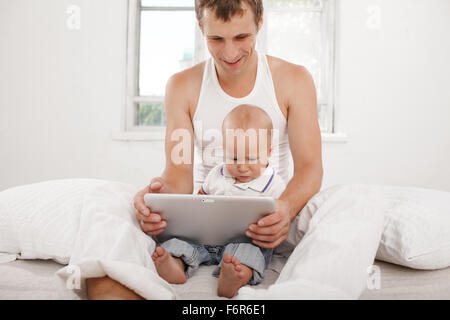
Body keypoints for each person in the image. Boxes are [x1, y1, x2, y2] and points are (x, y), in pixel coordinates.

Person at [86, 0, 322, 299]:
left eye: (241, 37)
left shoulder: (294, 80)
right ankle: (121, 283)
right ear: (201, 27)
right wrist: (156, 198)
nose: (230, 53)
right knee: (105, 205)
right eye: (216, 39)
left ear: (259, 22)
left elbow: (310, 169)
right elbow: (178, 175)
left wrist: (286, 208)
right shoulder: (182, 86)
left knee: (352, 202)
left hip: (267, 220)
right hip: (205, 215)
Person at [152, 104, 286, 298]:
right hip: (205, 240)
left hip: (245, 241)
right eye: (233, 157)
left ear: (269, 152)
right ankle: (174, 265)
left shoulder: (274, 184)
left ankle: (234, 276)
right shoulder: (217, 174)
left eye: (250, 159)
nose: (241, 166)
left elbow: (282, 216)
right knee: (177, 243)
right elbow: (200, 199)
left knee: (250, 254)